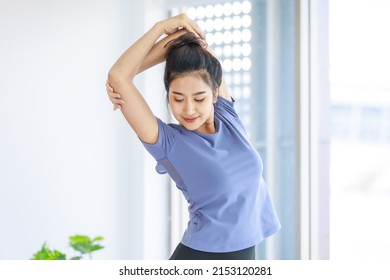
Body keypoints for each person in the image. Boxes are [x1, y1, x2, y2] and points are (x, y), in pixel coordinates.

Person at [106, 14, 280, 260]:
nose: (188, 110)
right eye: (177, 99)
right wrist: (159, 28)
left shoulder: (228, 116)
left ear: (215, 92)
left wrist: (173, 41)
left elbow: (192, 40)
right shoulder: (167, 141)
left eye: (199, 98)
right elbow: (119, 76)